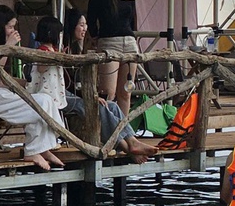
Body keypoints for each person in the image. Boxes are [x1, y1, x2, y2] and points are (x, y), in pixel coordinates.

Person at [29, 16, 158, 164]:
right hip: (51, 97)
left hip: (64, 94)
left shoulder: (58, 49)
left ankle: (131, 142)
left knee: (113, 106)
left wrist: (91, 96)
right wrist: (56, 57)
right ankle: (129, 146)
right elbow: (41, 67)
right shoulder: (42, 51)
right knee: (96, 108)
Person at [0, 5, 65, 171]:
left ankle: (42, 149)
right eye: (10, 26)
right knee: (40, 103)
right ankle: (34, 150)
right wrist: (8, 46)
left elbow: (1, 78)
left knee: (44, 98)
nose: (12, 30)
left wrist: (24, 83)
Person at [88, 0, 139, 115]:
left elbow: (132, 21)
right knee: (108, 92)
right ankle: (107, 130)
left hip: (130, 43)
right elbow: (91, 19)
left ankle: (123, 131)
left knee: (126, 92)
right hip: (109, 43)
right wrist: (95, 36)